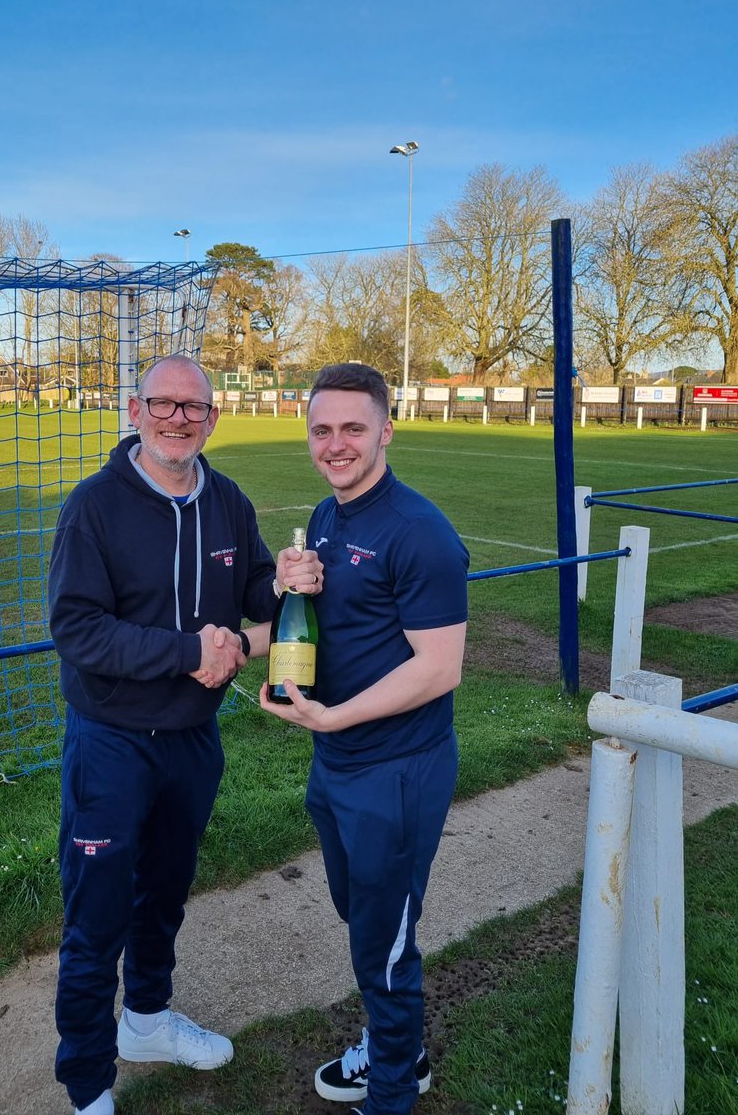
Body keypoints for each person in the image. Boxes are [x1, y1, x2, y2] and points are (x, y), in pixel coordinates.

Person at [48, 354, 321, 1115]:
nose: (178, 418)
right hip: (110, 741)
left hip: (193, 744)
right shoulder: (94, 506)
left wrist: (289, 581)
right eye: (162, 404)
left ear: (212, 419)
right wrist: (188, 652)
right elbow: (75, 630)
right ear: (134, 412)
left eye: (193, 408)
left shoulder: (228, 501)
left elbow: (258, 595)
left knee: (163, 895)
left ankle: (145, 1022)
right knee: (97, 914)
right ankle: (88, 1083)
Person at [259, 363, 469, 1115]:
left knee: (381, 942)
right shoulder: (324, 514)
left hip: (396, 770)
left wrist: (334, 718)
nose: (336, 444)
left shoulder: (420, 533)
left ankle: (391, 1089)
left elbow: (440, 669)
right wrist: (289, 585)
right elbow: (325, 619)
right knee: (366, 917)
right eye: (322, 429)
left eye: (354, 428)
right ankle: (398, 1047)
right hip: (337, 762)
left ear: (387, 427)